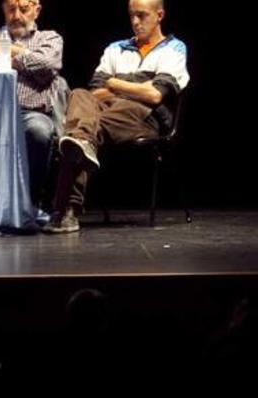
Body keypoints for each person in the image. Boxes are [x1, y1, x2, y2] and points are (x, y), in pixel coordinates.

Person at [44, 0, 189, 233]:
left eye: (141, 16)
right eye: (132, 15)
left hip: (144, 117)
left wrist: (114, 83)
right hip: (106, 112)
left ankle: (64, 210)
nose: (135, 22)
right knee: (80, 96)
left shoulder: (175, 49)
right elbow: (95, 93)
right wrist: (136, 86)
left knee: (80, 129)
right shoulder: (115, 48)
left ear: (160, 15)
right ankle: (82, 142)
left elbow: (153, 96)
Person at [0, 0, 65, 208]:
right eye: (11, 9)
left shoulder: (49, 38)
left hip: (30, 113)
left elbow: (47, 63)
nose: (16, 16)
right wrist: (26, 59)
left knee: (39, 131)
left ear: (36, 10)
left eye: (23, 9)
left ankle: (29, 204)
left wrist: (5, 51)